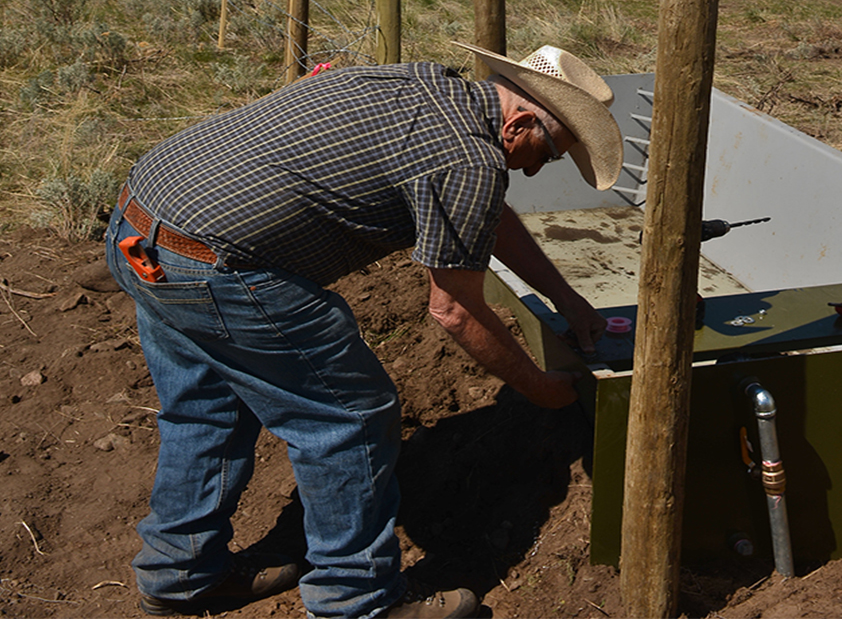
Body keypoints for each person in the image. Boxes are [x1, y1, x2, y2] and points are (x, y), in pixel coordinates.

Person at [104, 41, 624, 619]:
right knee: (349, 418)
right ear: (521, 121)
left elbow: (484, 214)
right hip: (218, 266)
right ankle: (355, 601)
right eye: (546, 153)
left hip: (144, 221)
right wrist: (540, 388)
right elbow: (453, 310)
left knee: (208, 409)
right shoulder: (468, 159)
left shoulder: (420, 83)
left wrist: (569, 300)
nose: (533, 168)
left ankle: (180, 575)